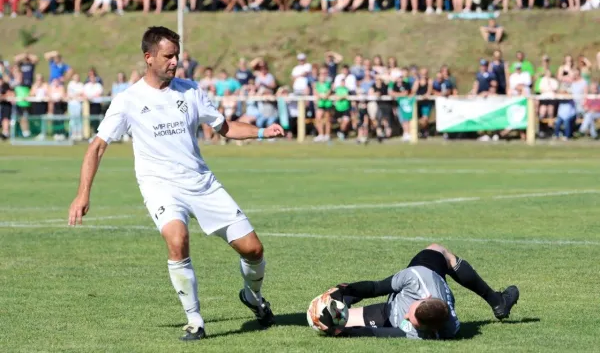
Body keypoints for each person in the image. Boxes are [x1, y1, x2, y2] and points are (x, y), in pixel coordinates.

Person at [67, 26, 284, 341]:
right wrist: (82, 194)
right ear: (149, 57)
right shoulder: (128, 100)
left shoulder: (191, 90)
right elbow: (97, 146)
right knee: (177, 239)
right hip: (160, 187)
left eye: (177, 56)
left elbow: (224, 128)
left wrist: (264, 132)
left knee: (253, 250)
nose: (174, 62)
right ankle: (195, 321)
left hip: (201, 182)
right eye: (168, 56)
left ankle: (253, 296)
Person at [309, 243, 520, 339]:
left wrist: (340, 331)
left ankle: (497, 301)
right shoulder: (417, 277)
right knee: (439, 250)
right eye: (411, 313)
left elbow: (377, 332)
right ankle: (496, 300)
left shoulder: (432, 332)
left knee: (338, 321)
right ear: (424, 298)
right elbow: (376, 287)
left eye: (410, 320)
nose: (407, 318)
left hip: (388, 312)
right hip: (430, 273)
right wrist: (344, 290)